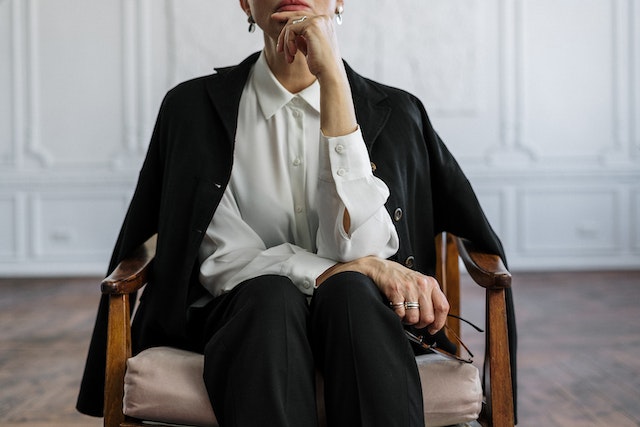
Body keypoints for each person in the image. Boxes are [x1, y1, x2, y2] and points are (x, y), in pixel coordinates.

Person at [77, 1, 516, 426]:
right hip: (242, 317)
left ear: (340, 2)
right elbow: (224, 261)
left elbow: (364, 248)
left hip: (363, 319)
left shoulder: (400, 112)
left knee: (352, 295)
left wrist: (334, 83)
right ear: (245, 3)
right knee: (271, 297)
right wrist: (360, 268)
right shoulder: (190, 110)